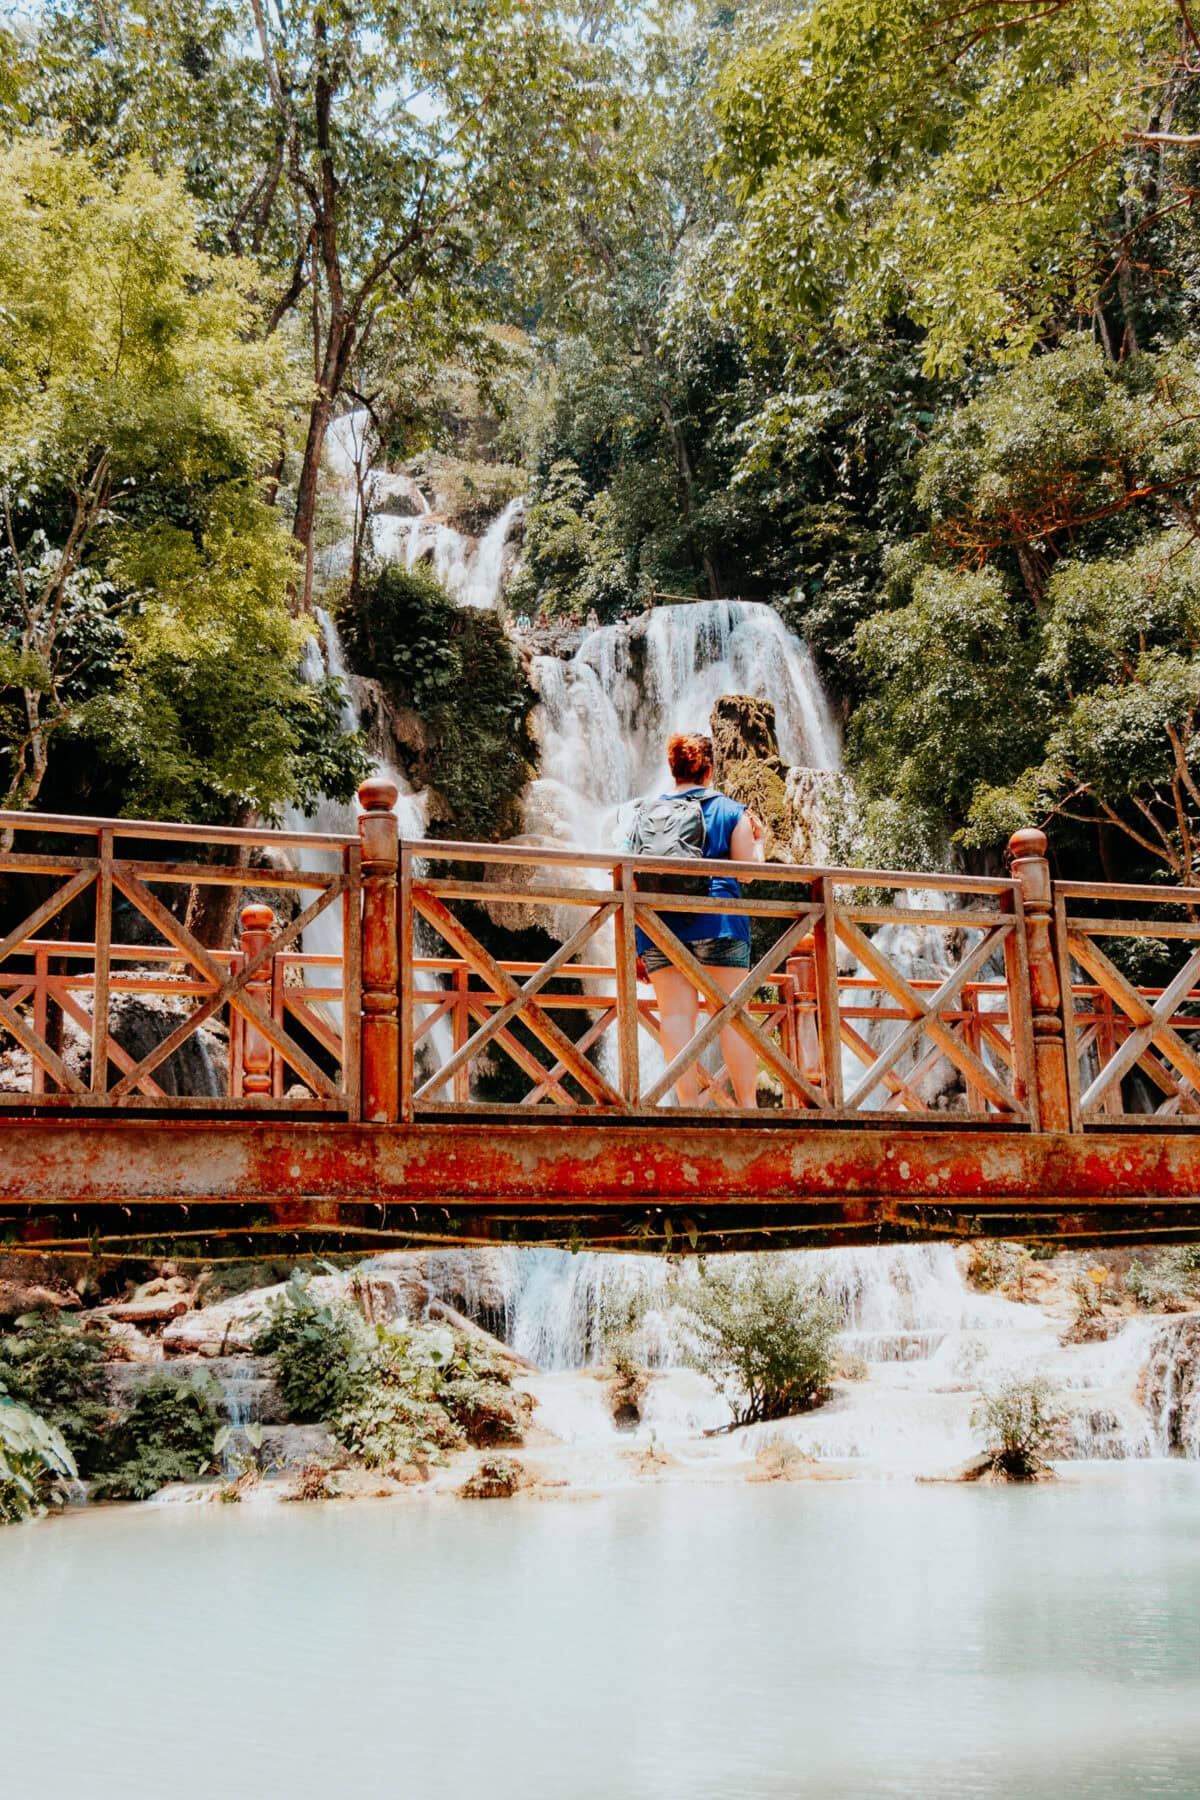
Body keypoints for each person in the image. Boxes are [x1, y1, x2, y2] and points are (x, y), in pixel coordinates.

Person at [627, 731, 766, 1108]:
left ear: (673, 770)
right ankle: (749, 1107)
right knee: (731, 1016)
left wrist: (635, 941)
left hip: (659, 925)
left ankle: (688, 1107)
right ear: (709, 770)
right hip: (719, 921)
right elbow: (749, 872)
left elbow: (629, 876)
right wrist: (760, 839)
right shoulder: (731, 810)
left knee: (674, 1016)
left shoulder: (645, 813)